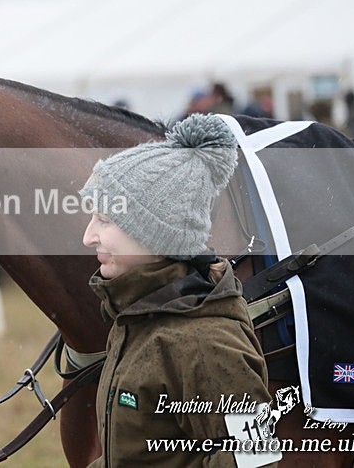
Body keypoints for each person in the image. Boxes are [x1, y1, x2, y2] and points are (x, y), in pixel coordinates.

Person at [79, 114, 272, 467]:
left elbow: (254, 458)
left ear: (157, 234)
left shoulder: (206, 343)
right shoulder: (136, 317)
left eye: (105, 220)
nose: (88, 236)